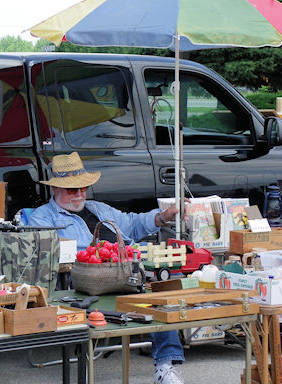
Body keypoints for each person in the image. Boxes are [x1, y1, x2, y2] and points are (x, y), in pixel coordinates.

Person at [28, 152, 186, 384]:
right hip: (86, 282)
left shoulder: (98, 208)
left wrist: (163, 216)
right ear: (55, 188)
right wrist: (94, 256)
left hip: (126, 274)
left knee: (163, 297)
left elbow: (133, 223)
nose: (79, 194)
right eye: (72, 190)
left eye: (83, 187)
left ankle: (165, 366)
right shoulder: (43, 217)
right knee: (151, 294)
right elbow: (46, 255)